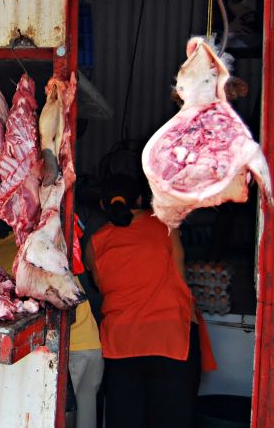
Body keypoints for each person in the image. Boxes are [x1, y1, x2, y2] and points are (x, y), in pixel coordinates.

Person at [84, 175, 216, 428]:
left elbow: (100, 285)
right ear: (142, 199)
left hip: (121, 344)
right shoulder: (166, 227)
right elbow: (180, 277)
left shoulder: (94, 242)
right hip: (171, 341)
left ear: (103, 205)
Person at [0, 227, 102, 428]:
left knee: (62, 418)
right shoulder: (45, 244)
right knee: (85, 419)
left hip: (70, 349)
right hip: (88, 343)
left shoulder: (19, 250)